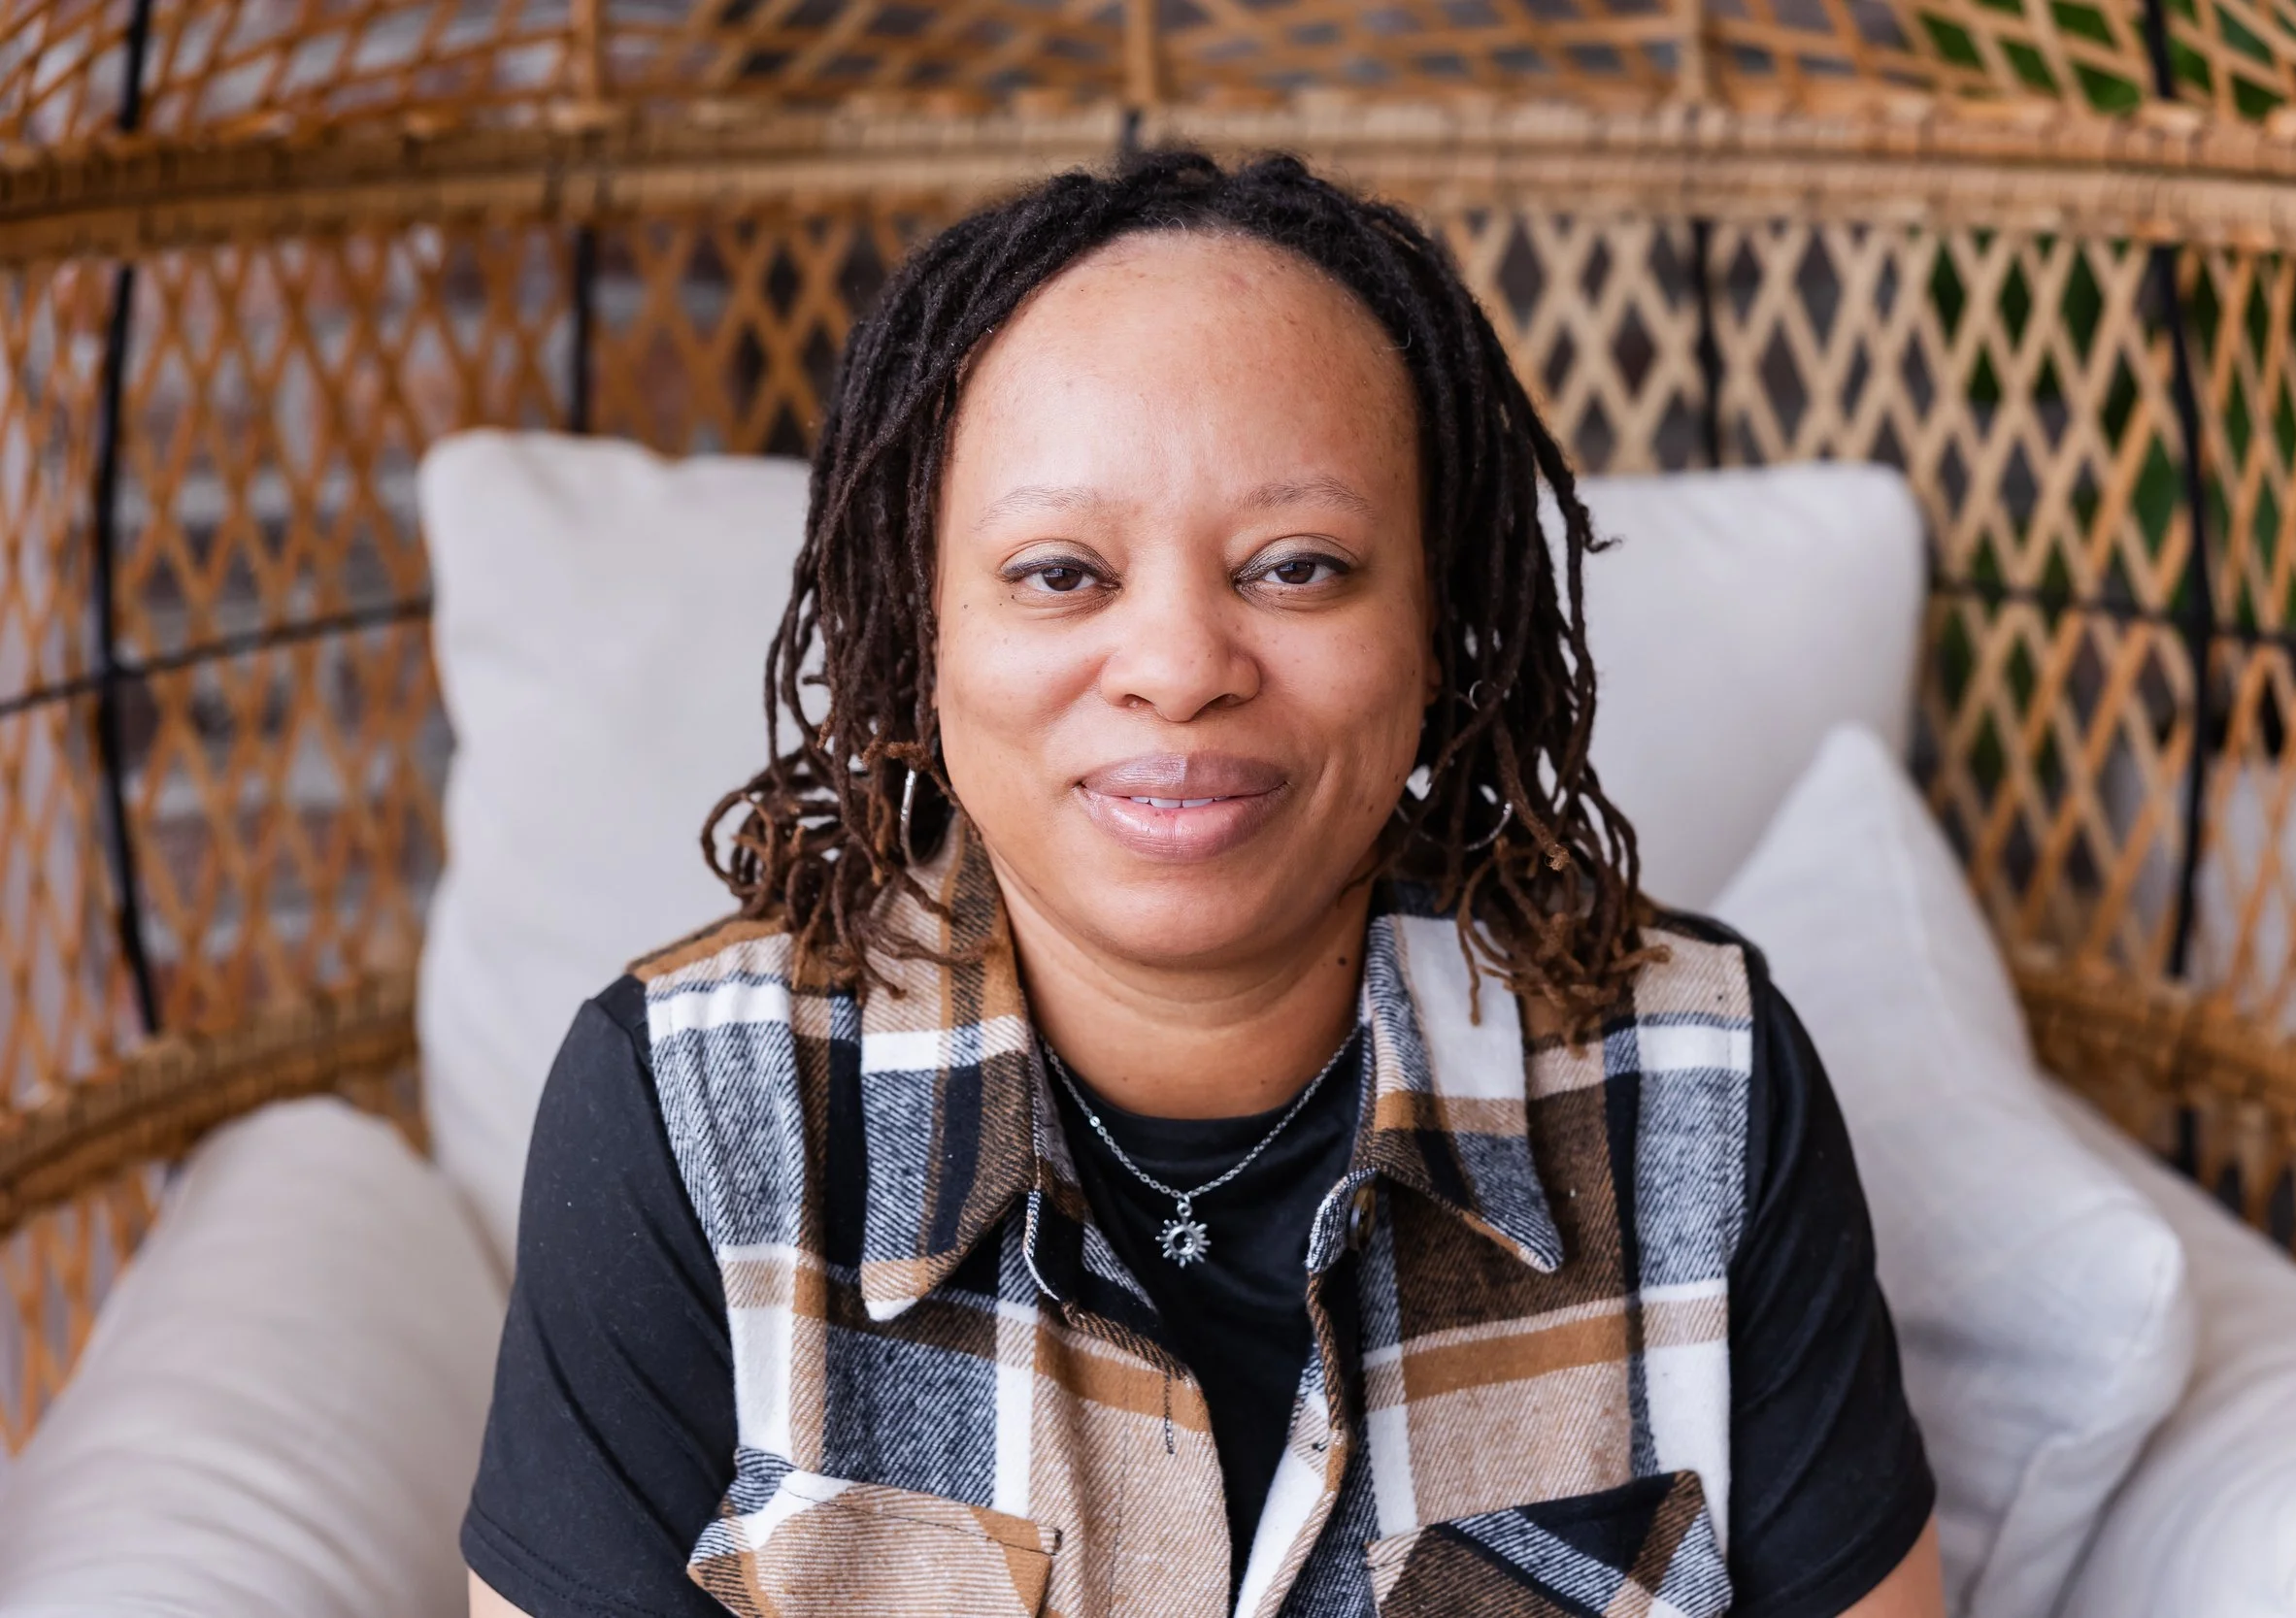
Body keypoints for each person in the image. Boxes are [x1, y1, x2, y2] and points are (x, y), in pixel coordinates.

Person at [462, 149, 1943, 1618]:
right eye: (1061, 572)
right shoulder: (693, 1114)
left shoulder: (1700, 1087)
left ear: (1439, 627)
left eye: (1296, 565)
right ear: (923, 629)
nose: (1179, 668)